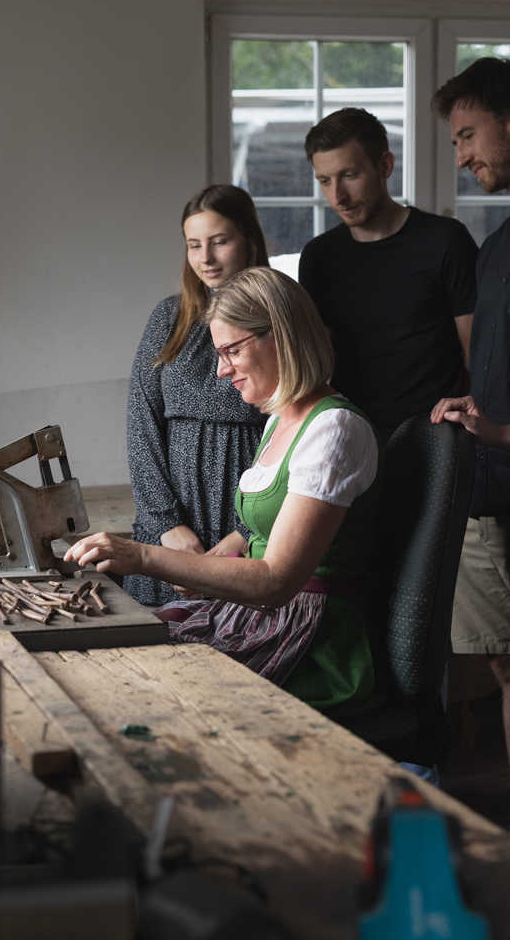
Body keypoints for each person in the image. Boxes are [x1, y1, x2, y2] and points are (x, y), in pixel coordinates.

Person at [67, 267, 382, 715]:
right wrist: (203, 570)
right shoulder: (279, 421)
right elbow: (261, 543)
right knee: (119, 650)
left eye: (232, 351)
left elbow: (276, 580)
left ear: (282, 337)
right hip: (261, 614)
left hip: (311, 639)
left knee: (143, 689)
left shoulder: (334, 430)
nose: (220, 371)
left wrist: (142, 556)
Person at [124, 185, 269, 607]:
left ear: (249, 241)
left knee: (236, 644)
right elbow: (141, 421)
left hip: (246, 514)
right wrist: (164, 522)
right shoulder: (169, 317)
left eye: (220, 242)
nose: (205, 258)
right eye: (194, 245)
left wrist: (246, 531)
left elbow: (292, 427)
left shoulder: (277, 317)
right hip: (170, 515)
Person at [299, 107, 477, 441]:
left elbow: (476, 355)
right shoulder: (318, 257)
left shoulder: (446, 241)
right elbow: (317, 363)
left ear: (385, 166)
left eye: (349, 175)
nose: (337, 196)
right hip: (349, 435)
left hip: (437, 436)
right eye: (325, 181)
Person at [430, 56, 510, 764]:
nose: (460, 157)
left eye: (467, 136)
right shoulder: (493, 252)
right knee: (501, 666)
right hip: (490, 498)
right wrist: (474, 404)